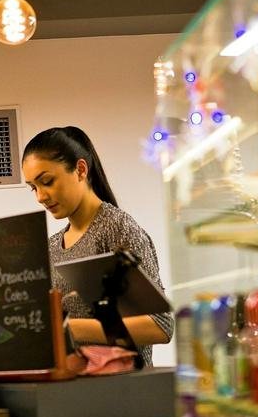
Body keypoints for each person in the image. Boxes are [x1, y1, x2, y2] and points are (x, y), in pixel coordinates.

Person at [22, 126, 174, 368]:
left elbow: (160, 326)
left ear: (81, 170)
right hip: (75, 391)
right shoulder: (52, 247)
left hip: (124, 393)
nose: (40, 196)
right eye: (33, 187)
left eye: (47, 181)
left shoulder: (117, 229)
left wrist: (71, 328)